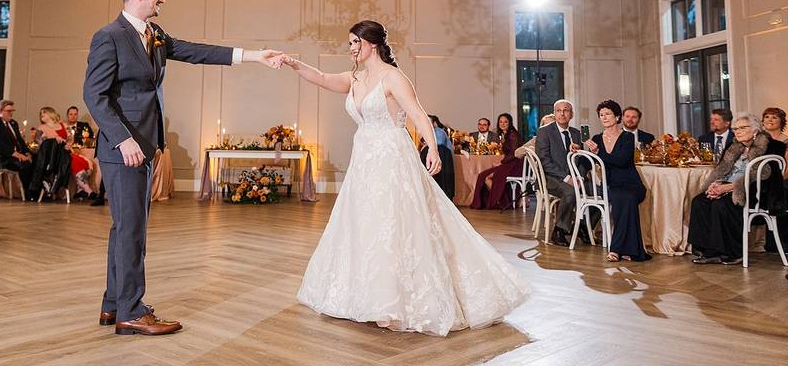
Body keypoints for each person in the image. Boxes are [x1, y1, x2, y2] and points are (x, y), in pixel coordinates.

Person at [279, 20, 529, 336]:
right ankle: (367, 297)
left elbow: (418, 114)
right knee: (366, 224)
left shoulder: (393, 77)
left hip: (392, 156)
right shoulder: (355, 78)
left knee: (394, 223)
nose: (351, 48)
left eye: (355, 42)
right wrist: (292, 63)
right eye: (350, 43)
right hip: (365, 159)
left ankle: (393, 304)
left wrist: (435, 148)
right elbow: (321, 77)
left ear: (371, 44)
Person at [82, 0, 282, 337]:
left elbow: (195, 51)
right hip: (122, 149)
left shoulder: (154, 35)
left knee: (126, 229)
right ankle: (131, 311)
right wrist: (123, 139)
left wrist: (253, 56)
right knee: (132, 233)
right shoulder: (108, 36)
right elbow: (94, 95)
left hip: (143, 147)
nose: (162, 0)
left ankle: (113, 305)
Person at [689, 113, 784, 265]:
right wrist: (716, 184)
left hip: (755, 191)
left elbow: (766, 177)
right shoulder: (734, 146)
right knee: (699, 201)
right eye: (735, 129)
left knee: (722, 204)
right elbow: (721, 170)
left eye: (742, 128)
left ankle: (732, 253)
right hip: (727, 187)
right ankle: (709, 251)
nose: (737, 131)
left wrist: (731, 187)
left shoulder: (772, 146)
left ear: (755, 130)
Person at [585, 100, 651, 262]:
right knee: (623, 198)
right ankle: (630, 250)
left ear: (617, 116)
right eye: (601, 115)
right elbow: (588, 163)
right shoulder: (596, 138)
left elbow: (621, 160)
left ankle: (616, 249)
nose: (604, 117)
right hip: (612, 185)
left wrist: (598, 152)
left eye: (608, 114)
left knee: (625, 198)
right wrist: (580, 151)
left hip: (632, 184)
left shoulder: (627, 137)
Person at [535, 99, 585, 246]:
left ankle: (582, 229)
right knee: (571, 192)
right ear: (555, 113)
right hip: (550, 178)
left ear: (572, 114)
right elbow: (544, 161)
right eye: (558, 110)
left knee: (600, 191)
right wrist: (567, 178)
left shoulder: (576, 133)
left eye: (566, 110)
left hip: (573, 178)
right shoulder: (544, 132)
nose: (562, 114)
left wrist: (580, 177)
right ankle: (559, 230)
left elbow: (581, 160)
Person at [0, 99, 36, 198]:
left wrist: (27, 153)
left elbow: (20, 141)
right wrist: (18, 155)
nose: (11, 114)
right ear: (0, 111)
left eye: (12, 111)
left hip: (13, 155)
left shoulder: (13, 123)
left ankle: (38, 190)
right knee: (25, 164)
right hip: (0, 157)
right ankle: (28, 194)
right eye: (9, 111)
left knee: (36, 159)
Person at [470, 113, 522, 210]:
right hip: (509, 163)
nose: (502, 124)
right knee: (483, 176)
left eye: (505, 122)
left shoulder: (513, 134)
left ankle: (502, 201)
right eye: (501, 122)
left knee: (485, 177)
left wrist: (502, 162)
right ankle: (501, 201)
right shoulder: (505, 134)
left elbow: (514, 153)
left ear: (510, 123)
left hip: (514, 165)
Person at [420, 115, 455, 200]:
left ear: (434, 123)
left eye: (428, 122)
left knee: (442, 179)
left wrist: (426, 146)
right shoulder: (429, 132)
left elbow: (439, 144)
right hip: (439, 155)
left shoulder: (439, 131)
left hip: (443, 157)